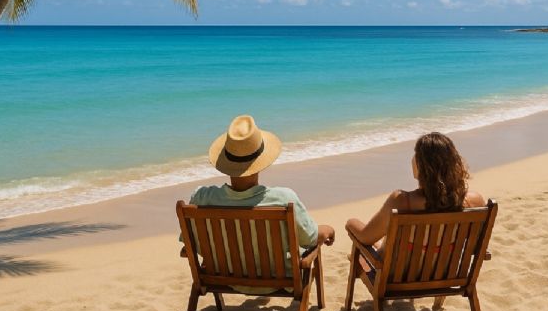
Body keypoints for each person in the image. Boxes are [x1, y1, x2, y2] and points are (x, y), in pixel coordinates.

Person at [186, 115, 335, 280]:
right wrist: (328, 230)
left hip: (225, 277)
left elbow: (190, 247)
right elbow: (310, 239)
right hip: (278, 278)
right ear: (260, 160)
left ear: (226, 160)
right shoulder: (283, 199)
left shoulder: (201, 197)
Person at [346, 132, 485, 248]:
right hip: (445, 274)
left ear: (421, 165)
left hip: (399, 278)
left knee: (360, 254)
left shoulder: (401, 201)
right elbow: (477, 246)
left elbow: (366, 238)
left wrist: (351, 223)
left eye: (416, 155)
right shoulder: (475, 201)